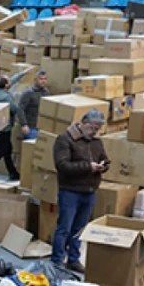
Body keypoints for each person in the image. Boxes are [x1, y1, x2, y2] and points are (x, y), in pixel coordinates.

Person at [51, 109, 109, 273]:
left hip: (89, 190)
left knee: (79, 229)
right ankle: (57, 261)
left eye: (97, 129)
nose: (95, 132)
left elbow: (103, 156)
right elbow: (62, 165)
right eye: (92, 128)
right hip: (70, 190)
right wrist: (88, 167)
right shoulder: (65, 139)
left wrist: (104, 165)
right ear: (83, 124)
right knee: (64, 228)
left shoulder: (96, 142)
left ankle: (73, 259)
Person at [18, 70, 49, 140]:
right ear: (35, 80)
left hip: (42, 127)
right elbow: (20, 109)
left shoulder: (47, 92)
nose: (43, 81)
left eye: (45, 79)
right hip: (31, 127)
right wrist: (24, 125)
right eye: (41, 79)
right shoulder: (28, 93)